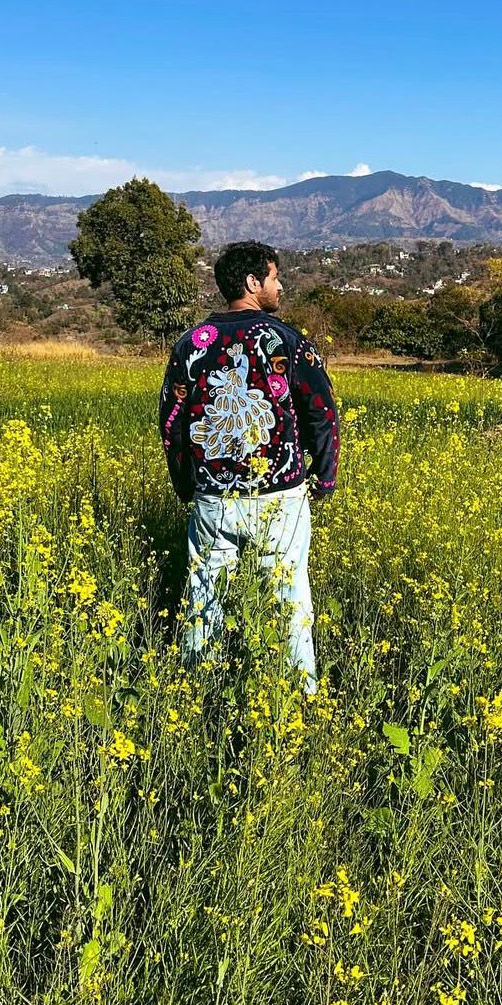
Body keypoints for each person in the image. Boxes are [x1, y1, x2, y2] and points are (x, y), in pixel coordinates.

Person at [159, 240, 340, 694]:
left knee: (205, 595)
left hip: (214, 498)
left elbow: (172, 422)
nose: (280, 286)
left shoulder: (191, 344)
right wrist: (324, 476)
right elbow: (322, 412)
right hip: (281, 497)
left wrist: (186, 485)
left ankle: (196, 693)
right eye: (275, 277)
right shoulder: (288, 342)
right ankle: (298, 695)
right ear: (252, 282)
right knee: (288, 598)